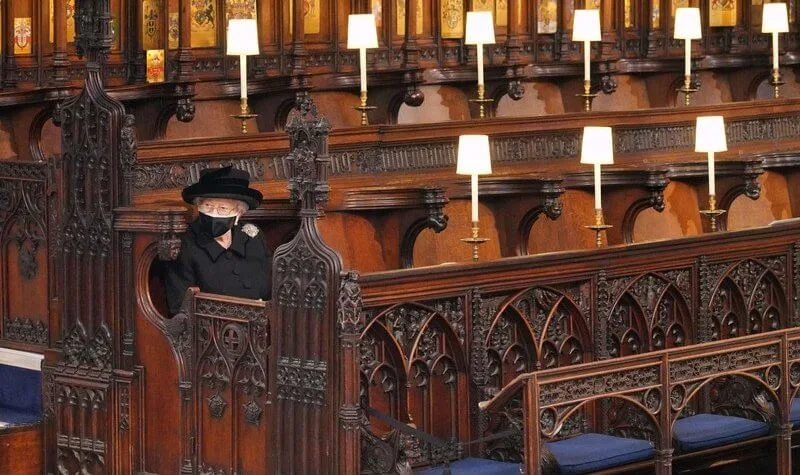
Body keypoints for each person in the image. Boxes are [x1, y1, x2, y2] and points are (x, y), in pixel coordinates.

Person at [164, 166, 271, 314]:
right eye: (207, 206)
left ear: (238, 213)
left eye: (222, 208)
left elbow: (270, 291)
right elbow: (180, 309)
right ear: (198, 206)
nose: (213, 214)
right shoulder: (184, 244)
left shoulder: (253, 237)